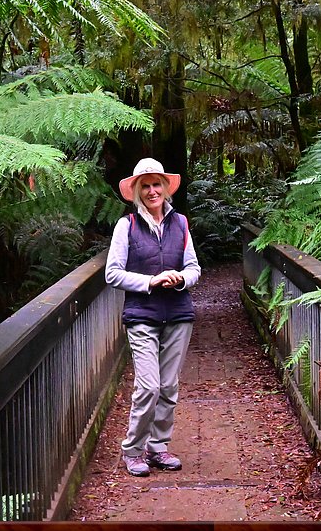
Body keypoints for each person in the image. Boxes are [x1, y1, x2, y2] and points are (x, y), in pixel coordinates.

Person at [105, 158, 201, 477]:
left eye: (155, 184)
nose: (151, 190)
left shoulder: (181, 224)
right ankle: (133, 450)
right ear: (136, 191)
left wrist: (180, 279)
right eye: (144, 186)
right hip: (141, 315)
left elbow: (194, 268)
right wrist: (149, 282)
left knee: (169, 385)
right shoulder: (126, 226)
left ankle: (157, 446)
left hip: (178, 314)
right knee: (149, 385)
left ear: (165, 187)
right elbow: (113, 274)